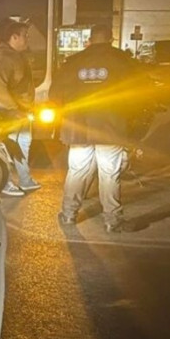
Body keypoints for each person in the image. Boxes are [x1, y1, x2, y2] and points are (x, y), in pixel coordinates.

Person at [50, 24, 142, 233]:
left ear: (90, 40)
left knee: (77, 171)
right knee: (109, 174)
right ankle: (112, 221)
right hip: (111, 128)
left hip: (77, 128)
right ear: (111, 39)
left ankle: (68, 214)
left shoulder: (72, 62)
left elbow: (54, 96)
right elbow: (138, 95)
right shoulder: (123, 61)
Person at [0, 18, 39, 196]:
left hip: (20, 111)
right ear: (14, 37)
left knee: (23, 144)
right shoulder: (3, 59)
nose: (27, 39)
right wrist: (14, 110)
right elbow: (1, 89)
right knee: (7, 147)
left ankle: (25, 180)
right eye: (25, 35)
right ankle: (5, 183)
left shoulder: (18, 56)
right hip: (7, 111)